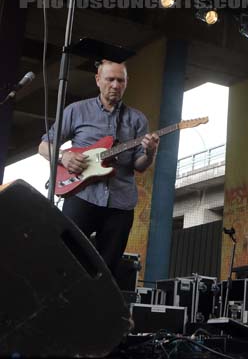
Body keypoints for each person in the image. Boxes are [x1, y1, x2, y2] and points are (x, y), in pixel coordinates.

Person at [38, 60, 159, 276]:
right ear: (97, 80)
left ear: (126, 83)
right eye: (110, 79)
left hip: (120, 204)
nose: (115, 85)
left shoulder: (137, 119)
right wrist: (64, 157)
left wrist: (150, 152)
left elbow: (139, 166)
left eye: (120, 80)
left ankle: (96, 308)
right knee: (67, 259)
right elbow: (44, 145)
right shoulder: (77, 110)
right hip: (82, 196)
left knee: (106, 271)